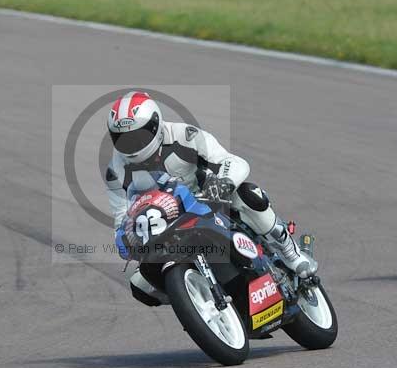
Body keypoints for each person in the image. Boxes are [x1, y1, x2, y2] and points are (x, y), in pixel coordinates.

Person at [105, 91, 317, 288]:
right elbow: (121, 216)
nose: (131, 145)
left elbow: (231, 161)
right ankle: (197, 299)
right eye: (122, 139)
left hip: (208, 200)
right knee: (140, 285)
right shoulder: (115, 170)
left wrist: (223, 183)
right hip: (165, 224)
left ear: (155, 125)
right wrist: (124, 238)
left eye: (136, 137)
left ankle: (291, 253)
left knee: (248, 194)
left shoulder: (185, 136)